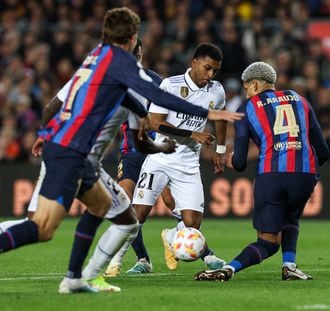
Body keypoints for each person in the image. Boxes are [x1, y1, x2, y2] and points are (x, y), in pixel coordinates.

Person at [0, 7, 242, 294]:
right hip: (70, 153)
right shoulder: (119, 59)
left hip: (78, 154)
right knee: (42, 227)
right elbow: (157, 95)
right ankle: (76, 276)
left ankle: (77, 277)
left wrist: (151, 141)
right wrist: (209, 115)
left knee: (121, 216)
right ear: (131, 38)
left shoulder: (96, 57)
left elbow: (116, 101)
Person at [194, 61, 330, 282]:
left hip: (270, 176)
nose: (246, 92)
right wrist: (309, 171)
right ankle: (289, 265)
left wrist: (231, 160)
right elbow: (323, 150)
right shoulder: (300, 100)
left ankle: (229, 269)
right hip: (304, 174)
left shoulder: (246, 108)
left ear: (255, 85)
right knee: (291, 217)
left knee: (267, 241)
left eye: (246, 87)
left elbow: (239, 162)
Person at [132, 42, 228, 272]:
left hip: (188, 164)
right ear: (194, 63)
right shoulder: (170, 85)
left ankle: (171, 236)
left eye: (215, 70)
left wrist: (221, 150)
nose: (210, 74)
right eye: (207, 68)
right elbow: (157, 123)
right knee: (138, 215)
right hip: (160, 157)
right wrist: (192, 134)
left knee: (193, 224)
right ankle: (128, 261)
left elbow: (220, 118)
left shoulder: (216, 90)